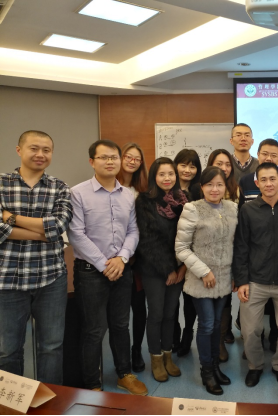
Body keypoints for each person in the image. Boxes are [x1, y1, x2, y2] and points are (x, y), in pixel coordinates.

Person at [68, 140, 148, 395]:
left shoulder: (128, 195)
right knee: (94, 330)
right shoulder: (77, 193)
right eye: (103, 157)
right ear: (92, 162)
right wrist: (105, 264)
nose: (110, 161)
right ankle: (92, 384)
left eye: (114, 157)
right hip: (90, 271)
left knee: (121, 325)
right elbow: (76, 234)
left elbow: (133, 231)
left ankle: (124, 374)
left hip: (121, 269)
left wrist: (121, 258)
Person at [0, 131, 73, 385]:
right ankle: (11, 402)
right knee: (7, 350)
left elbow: (58, 226)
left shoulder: (59, 187)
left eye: (46, 150)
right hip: (8, 280)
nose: (40, 154)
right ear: (19, 150)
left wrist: (10, 218)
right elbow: (49, 231)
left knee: (51, 347)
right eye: (34, 148)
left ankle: (50, 400)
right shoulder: (2, 183)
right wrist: (43, 233)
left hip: (50, 278)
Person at [233, 163, 278, 388]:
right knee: (251, 330)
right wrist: (242, 280)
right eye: (263, 180)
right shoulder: (248, 210)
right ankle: (255, 366)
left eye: (273, 179)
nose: (268, 183)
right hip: (255, 281)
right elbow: (241, 246)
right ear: (257, 183)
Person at [175, 167, 238, 396]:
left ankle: (215, 367)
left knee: (217, 325)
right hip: (201, 280)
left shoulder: (232, 208)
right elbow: (181, 248)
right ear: (201, 187)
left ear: (225, 187)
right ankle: (207, 371)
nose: (215, 189)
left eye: (219, 184)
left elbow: (235, 244)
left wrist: (235, 275)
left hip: (224, 278)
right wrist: (203, 272)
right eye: (209, 184)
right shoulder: (192, 209)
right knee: (207, 324)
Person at [135, 158, 187, 383]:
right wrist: (168, 270)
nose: (167, 178)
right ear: (154, 177)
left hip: (179, 266)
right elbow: (147, 240)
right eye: (162, 174)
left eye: (171, 174)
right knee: (156, 314)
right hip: (154, 268)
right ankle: (156, 359)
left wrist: (183, 266)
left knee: (170, 314)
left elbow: (190, 235)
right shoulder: (144, 201)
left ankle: (168, 355)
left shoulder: (184, 200)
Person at [116, 143, 149, 374]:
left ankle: (136, 350)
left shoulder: (143, 191)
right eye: (128, 156)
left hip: (138, 260)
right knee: (118, 314)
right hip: (113, 258)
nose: (132, 161)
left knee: (139, 308)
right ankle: (121, 356)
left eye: (137, 159)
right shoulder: (111, 185)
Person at [207, 149, 240, 363]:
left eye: (228, 164)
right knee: (207, 302)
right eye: (220, 163)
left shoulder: (236, 190)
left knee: (225, 299)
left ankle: (220, 339)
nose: (224, 168)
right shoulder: (202, 189)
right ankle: (210, 341)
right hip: (206, 256)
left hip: (229, 253)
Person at [173, 149, 202, 357]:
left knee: (190, 300)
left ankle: (187, 334)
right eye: (183, 165)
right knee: (171, 303)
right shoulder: (166, 190)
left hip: (193, 255)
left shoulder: (200, 193)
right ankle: (173, 336)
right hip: (169, 255)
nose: (187, 170)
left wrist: (186, 264)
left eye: (192, 166)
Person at [238, 139, 278, 208]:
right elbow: (242, 210)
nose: (268, 158)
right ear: (258, 155)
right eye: (265, 154)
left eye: (273, 155)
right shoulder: (245, 181)